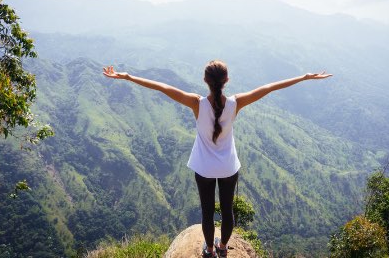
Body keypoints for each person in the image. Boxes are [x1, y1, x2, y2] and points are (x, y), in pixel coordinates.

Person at [103, 60, 332, 257]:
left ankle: (209, 251)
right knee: (227, 210)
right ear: (227, 80)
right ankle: (223, 248)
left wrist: (127, 76)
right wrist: (303, 77)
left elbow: (162, 87)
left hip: (203, 169)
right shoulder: (235, 103)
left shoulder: (196, 103)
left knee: (207, 212)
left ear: (205, 80)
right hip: (228, 168)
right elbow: (269, 88)